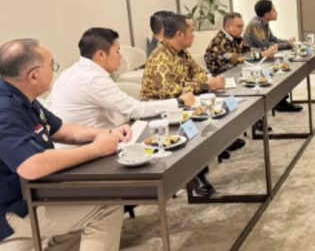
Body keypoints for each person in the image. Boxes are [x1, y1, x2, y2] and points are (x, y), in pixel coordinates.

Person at [0, 39, 130, 250]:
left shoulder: (23, 97)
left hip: (33, 194)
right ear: (33, 76)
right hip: (13, 210)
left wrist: (107, 133)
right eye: (52, 65)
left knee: (86, 200)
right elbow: (31, 166)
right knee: (106, 206)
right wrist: (96, 149)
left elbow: (60, 130)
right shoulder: (5, 111)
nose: (55, 70)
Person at [140, 13, 226, 196]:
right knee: (196, 125)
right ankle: (193, 175)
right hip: (158, 113)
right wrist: (204, 85)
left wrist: (204, 83)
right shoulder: (160, 57)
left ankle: (205, 162)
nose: (194, 35)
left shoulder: (181, 52)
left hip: (182, 105)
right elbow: (170, 92)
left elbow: (199, 73)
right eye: (191, 31)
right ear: (179, 34)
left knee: (210, 117)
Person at [49, 27, 195, 129]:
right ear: (101, 55)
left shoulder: (69, 73)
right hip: (90, 149)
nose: (121, 56)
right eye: (117, 51)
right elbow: (136, 110)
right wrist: (179, 102)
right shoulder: (94, 80)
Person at [243, 0, 302, 112]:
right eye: (274, 10)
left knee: (282, 69)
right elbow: (265, 45)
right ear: (266, 14)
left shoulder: (264, 23)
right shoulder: (255, 25)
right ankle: (279, 102)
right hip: (254, 60)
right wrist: (287, 44)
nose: (276, 12)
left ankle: (281, 101)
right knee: (278, 71)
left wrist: (288, 42)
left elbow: (273, 39)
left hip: (263, 57)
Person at [205, 12, 277, 75]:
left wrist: (266, 52)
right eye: (239, 27)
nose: (242, 29)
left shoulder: (236, 38)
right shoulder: (219, 42)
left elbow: (249, 51)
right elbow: (239, 59)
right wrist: (262, 54)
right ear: (228, 27)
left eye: (242, 26)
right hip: (223, 76)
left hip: (236, 71)